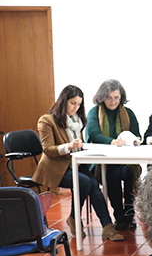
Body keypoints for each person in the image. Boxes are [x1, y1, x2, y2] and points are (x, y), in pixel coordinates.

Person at [32, 85, 124, 241]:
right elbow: (48, 150)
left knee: (92, 184)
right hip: (55, 168)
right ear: (63, 101)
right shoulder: (46, 120)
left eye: (79, 104)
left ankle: (106, 226)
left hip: (75, 164)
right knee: (85, 182)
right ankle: (78, 219)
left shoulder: (77, 121)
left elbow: (78, 147)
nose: (76, 107)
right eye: (73, 103)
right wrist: (69, 146)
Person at [85, 79, 141, 230]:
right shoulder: (94, 113)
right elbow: (94, 135)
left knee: (129, 173)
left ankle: (129, 214)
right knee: (113, 175)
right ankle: (119, 216)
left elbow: (137, 134)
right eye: (109, 98)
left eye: (116, 98)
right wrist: (112, 142)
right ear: (102, 97)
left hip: (126, 160)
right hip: (104, 161)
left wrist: (135, 140)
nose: (113, 101)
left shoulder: (128, 113)